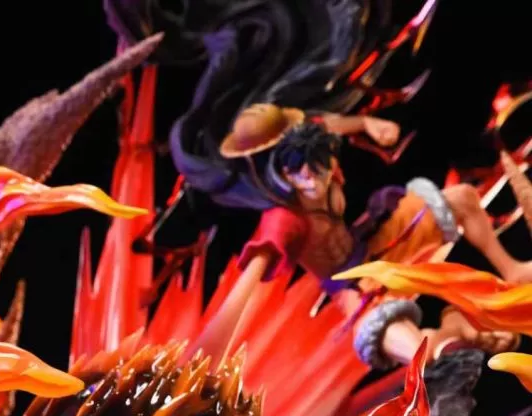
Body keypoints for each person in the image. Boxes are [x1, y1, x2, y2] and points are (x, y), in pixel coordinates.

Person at [226, 106, 528, 369]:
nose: (311, 179)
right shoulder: (284, 218)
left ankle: (511, 268)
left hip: (375, 248)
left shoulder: (318, 151)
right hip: (352, 290)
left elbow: (328, 124)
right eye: (299, 173)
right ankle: (457, 328)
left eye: (316, 169)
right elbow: (250, 277)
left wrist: (368, 123)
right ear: (281, 173)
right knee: (418, 353)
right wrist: (219, 340)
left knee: (460, 198)